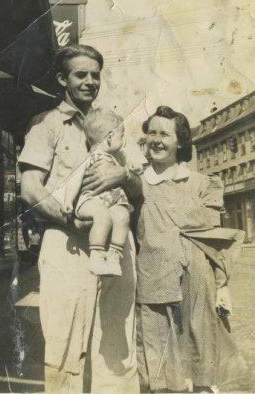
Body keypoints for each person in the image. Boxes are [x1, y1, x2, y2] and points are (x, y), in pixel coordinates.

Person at [18, 44, 140, 394]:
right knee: (66, 341)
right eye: (80, 74)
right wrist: (70, 220)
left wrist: (123, 177)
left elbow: (136, 183)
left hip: (116, 246)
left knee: (116, 340)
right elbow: (30, 188)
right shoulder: (47, 125)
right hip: (67, 243)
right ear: (62, 79)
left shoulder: (113, 123)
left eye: (95, 75)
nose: (89, 81)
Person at [135, 105, 246, 393]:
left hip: (197, 282)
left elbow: (210, 233)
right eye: (151, 133)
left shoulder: (202, 183)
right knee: (159, 366)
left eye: (164, 134)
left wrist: (222, 284)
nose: (156, 140)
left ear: (181, 141)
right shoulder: (136, 184)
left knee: (202, 362)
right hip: (153, 280)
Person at [58, 108, 130, 277]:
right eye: (122, 135)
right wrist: (68, 200)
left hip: (113, 200)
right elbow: (74, 179)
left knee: (123, 216)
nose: (124, 140)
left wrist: (129, 168)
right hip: (90, 200)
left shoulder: (117, 158)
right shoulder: (88, 157)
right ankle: (96, 257)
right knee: (102, 216)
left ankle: (114, 256)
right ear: (110, 137)